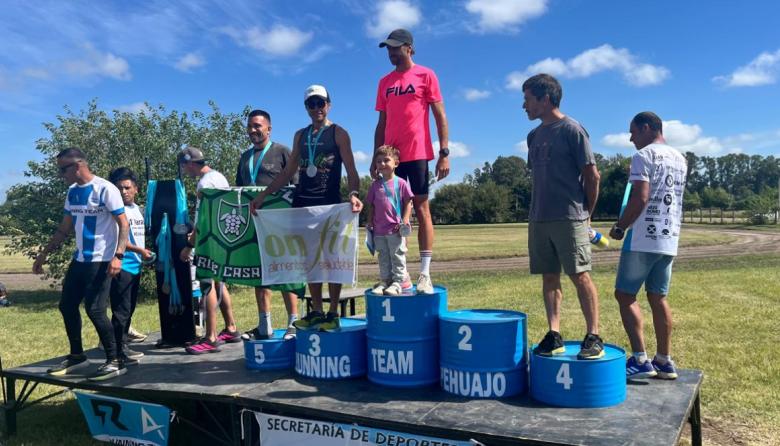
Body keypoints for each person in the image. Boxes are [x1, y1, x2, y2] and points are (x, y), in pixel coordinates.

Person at [250, 84, 363, 331]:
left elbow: (352, 171)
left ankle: (333, 313)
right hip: (303, 205)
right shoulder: (300, 135)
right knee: (310, 260)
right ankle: (317, 312)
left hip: (330, 204)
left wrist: (353, 194)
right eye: (311, 104)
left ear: (328, 105)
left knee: (332, 260)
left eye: (320, 103)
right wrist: (264, 196)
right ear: (306, 108)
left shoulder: (339, 133)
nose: (316, 108)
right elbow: (288, 171)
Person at [522, 73, 604, 360]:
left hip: (570, 218)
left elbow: (592, 176)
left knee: (580, 275)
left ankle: (593, 335)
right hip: (539, 218)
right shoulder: (533, 136)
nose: (524, 106)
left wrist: (586, 215)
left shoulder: (572, 130)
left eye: (528, 99)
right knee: (549, 277)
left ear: (545, 99)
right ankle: (554, 334)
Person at [32, 148, 130, 381]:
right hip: (80, 259)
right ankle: (77, 355)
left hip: (102, 259)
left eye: (62, 169)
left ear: (78, 166)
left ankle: (115, 360)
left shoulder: (106, 189)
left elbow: (123, 225)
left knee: (95, 309)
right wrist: (43, 254)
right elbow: (65, 227)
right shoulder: (72, 191)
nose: (60, 174)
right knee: (67, 306)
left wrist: (118, 256)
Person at [610, 112, 687, 380]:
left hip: (643, 237)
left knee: (625, 295)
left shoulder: (643, 157)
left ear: (646, 128)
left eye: (633, 132)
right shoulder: (680, 159)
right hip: (669, 238)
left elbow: (640, 198)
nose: (631, 138)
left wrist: (620, 226)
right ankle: (664, 360)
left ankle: (640, 359)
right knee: (658, 297)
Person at [373, 28, 450, 294]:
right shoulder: (384, 82)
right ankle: (398, 275)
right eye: (388, 49)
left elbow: (440, 115)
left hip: (417, 152)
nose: (391, 53)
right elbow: (381, 122)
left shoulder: (426, 75)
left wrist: (444, 152)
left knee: (421, 208)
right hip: (391, 156)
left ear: (409, 47)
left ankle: (425, 274)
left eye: (396, 47)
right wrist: (376, 157)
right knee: (390, 212)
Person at [236, 109, 300, 340]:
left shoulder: (283, 152)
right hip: (254, 224)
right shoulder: (244, 158)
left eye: (258, 126)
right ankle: (265, 325)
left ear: (269, 129)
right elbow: (239, 192)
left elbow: (296, 188)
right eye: (250, 126)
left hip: (280, 225)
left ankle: (294, 322)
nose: (253, 130)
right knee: (259, 274)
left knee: (284, 271)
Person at [177, 147, 241, 354]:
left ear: (189, 163)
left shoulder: (204, 183)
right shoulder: (219, 177)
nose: (185, 171)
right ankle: (231, 327)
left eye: (184, 166)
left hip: (208, 241)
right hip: (221, 239)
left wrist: (190, 244)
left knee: (207, 284)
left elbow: (204, 219)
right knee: (219, 282)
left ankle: (210, 337)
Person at [104, 167, 152, 364]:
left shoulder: (138, 210)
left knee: (129, 307)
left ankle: (122, 342)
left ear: (136, 189)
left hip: (136, 265)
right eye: (119, 189)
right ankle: (118, 350)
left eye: (127, 188)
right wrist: (139, 250)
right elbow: (118, 239)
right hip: (122, 265)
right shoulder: (117, 212)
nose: (123, 192)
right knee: (121, 310)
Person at [366, 145, 414, 296]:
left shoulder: (401, 183)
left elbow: (408, 202)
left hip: (395, 229)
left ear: (396, 163)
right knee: (383, 256)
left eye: (386, 160)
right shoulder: (375, 185)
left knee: (397, 255)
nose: (382, 164)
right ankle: (385, 280)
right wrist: (369, 222)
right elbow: (371, 205)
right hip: (379, 229)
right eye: (378, 161)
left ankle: (399, 282)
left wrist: (405, 219)